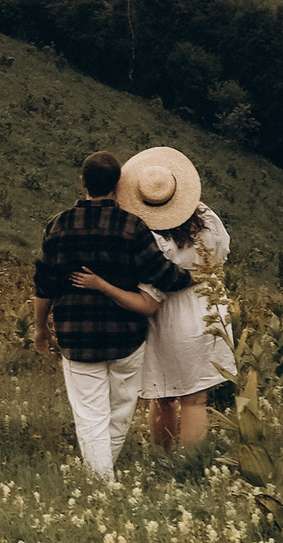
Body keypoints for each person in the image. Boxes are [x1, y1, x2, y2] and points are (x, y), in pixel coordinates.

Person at [32, 147, 176, 478]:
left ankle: (101, 483)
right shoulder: (133, 226)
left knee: (90, 414)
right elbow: (162, 274)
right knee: (120, 412)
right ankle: (102, 477)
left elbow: (44, 284)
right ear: (118, 183)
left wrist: (40, 328)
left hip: (77, 336)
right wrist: (197, 276)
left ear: (82, 181)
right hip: (127, 336)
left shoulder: (59, 225)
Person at [121, 146, 234, 457]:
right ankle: (189, 464)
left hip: (169, 315)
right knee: (196, 398)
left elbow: (148, 280)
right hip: (209, 308)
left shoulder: (154, 239)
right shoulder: (208, 219)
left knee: (162, 393)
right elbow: (223, 252)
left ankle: (165, 458)